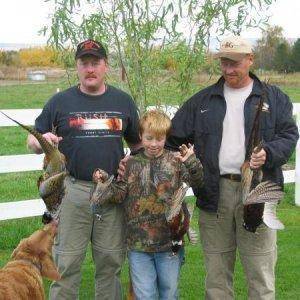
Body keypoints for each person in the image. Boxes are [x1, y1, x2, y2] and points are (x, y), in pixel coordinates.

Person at [166, 36, 299, 299]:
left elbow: (289, 135)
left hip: (258, 193)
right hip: (214, 194)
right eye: (224, 63)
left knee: (260, 273)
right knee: (216, 276)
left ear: (250, 60)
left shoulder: (275, 98)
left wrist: (269, 152)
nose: (228, 69)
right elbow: (171, 139)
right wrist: (183, 163)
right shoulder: (202, 102)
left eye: (234, 63)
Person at [27, 39, 140, 300]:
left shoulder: (122, 101)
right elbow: (33, 140)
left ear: (105, 66)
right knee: (66, 265)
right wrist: (40, 141)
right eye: (84, 63)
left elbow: (137, 145)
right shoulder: (60, 102)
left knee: (110, 265)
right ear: (77, 66)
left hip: (111, 194)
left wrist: (133, 164)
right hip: (72, 192)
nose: (90, 69)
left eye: (95, 63)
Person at [91, 110, 204, 300]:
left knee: (169, 292)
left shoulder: (175, 161)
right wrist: (104, 183)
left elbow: (198, 181)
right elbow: (119, 195)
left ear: (166, 137)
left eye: (159, 139)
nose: (153, 144)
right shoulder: (130, 163)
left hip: (169, 241)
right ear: (140, 136)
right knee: (145, 294)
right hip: (138, 244)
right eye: (149, 138)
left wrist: (191, 162)